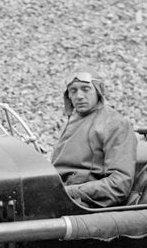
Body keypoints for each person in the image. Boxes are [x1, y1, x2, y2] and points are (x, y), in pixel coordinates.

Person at [50, 71, 136, 207]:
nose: (79, 96)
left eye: (86, 89)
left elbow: (119, 184)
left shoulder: (115, 124)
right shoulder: (72, 121)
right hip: (59, 194)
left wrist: (69, 192)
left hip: (85, 204)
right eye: (73, 90)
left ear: (98, 91)